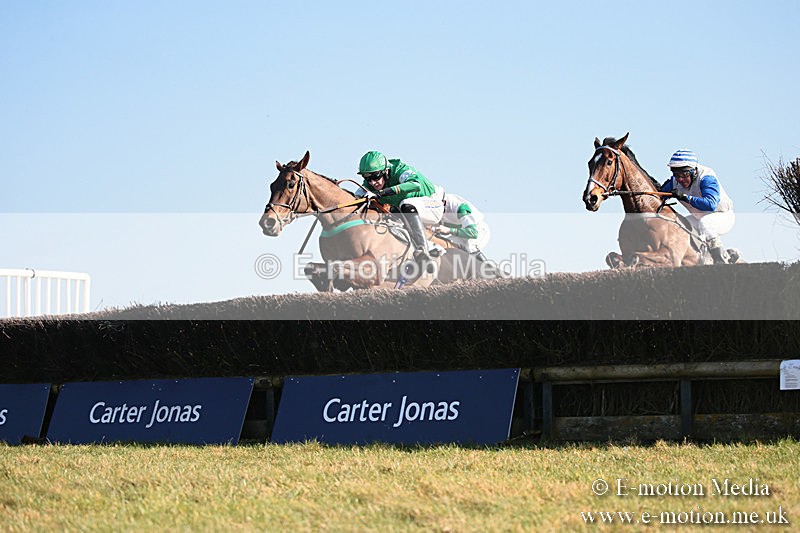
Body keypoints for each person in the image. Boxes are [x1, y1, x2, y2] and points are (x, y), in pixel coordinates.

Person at [358, 150, 445, 262]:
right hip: (407, 212)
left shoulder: (400, 170)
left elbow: (415, 184)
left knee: (406, 204)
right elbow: (355, 197)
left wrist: (382, 193)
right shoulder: (370, 183)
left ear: (386, 170)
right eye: (367, 178)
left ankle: (424, 250)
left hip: (433, 206)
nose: (373, 182)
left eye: (376, 176)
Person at [660, 149, 735, 264]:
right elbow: (659, 196)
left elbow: (710, 204)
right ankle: (716, 256)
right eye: (676, 175)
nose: (680, 179)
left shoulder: (706, 178)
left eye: (684, 175)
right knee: (679, 225)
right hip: (699, 218)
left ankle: (720, 262)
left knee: (705, 223)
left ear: (693, 171)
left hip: (722, 216)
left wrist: (685, 197)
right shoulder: (674, 182)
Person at [431, 192, 491, 262]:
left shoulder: (460, 208)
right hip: (461, 236)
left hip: (479, 231)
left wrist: (448, 230)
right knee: (443, 247)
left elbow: (473, 233)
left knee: (470, 247)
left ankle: (489, 268)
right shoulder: (437, 213)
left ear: (443, 201)